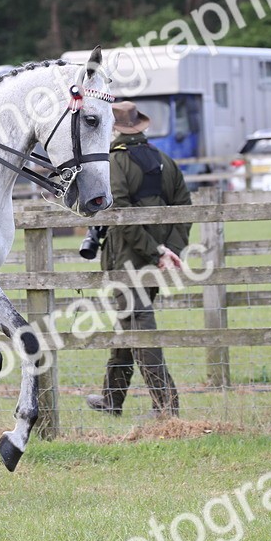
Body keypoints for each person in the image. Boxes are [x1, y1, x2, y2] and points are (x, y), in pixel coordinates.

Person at [83, 102, 192, 419]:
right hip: (156, 262)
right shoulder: (165, 161)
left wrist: (156, 252)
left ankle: (166, 405)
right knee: (127, 326)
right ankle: (111, 399)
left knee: (139, 328)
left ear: (113, 129)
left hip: (126, 261)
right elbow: (185, 208)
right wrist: (169, 250)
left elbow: (122, 217)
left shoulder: (115, 162)